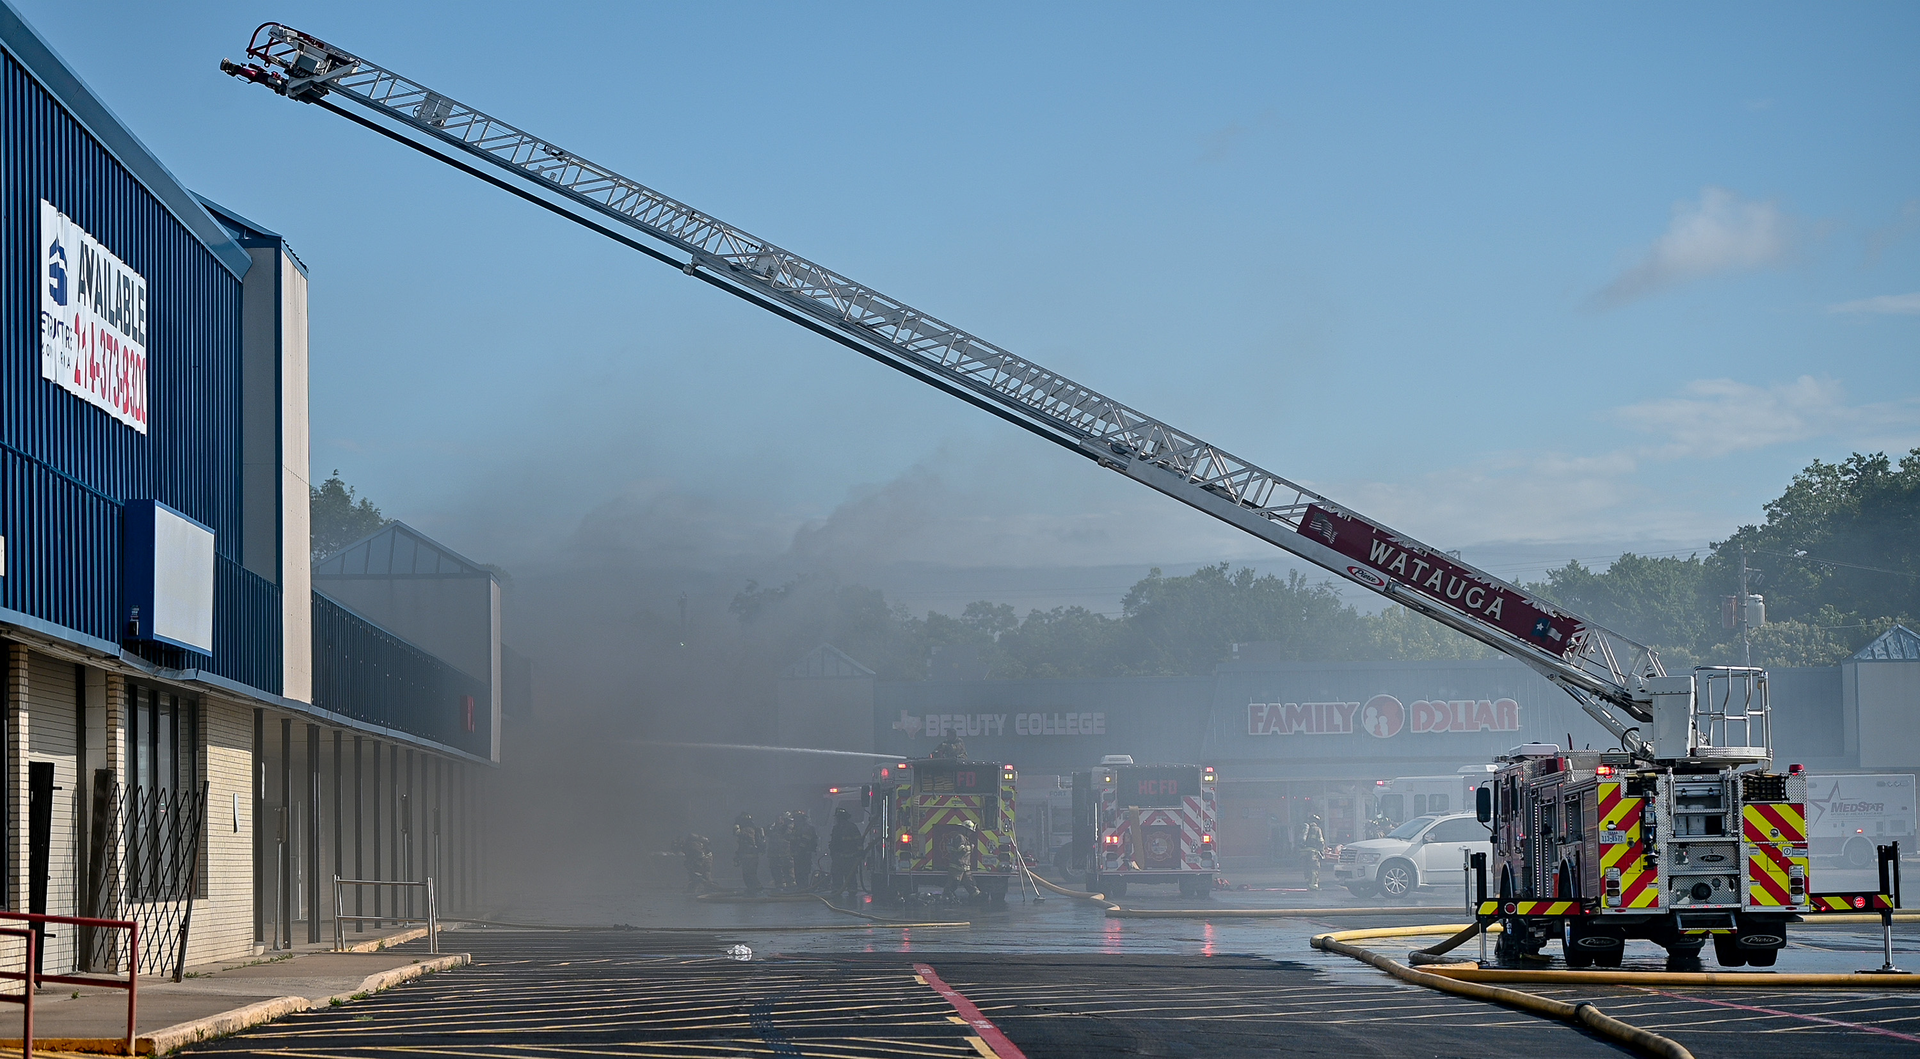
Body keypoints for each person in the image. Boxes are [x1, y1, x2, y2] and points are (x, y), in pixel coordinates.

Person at [827, 806, 862, 901]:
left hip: (847, 858)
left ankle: (845, 892)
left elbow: (858, 841)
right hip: (844, 858)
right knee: (842, 875)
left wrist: (859, 852)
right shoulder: (841, 827)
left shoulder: (846, 827)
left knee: (845, 875)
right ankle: (843, 892)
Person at [943, 820, 977, 901]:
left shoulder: (964, 837)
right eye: (970, 831)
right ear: (965, 830)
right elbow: (961, 849)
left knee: (971, 883)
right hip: (957, 866)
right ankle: (946, 897)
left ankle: (977, 896)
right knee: (954, 883)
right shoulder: (960, 837)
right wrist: (970, 847)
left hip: (964, 867)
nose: (971, 833)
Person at [733, 813, 765, 895]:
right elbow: (742, 844)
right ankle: (751, 889)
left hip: (751, 856)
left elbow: (747, 840)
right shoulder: (747, 829)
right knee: (746, 874)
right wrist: (738, 855)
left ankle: (758, 889)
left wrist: (737, 829)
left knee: (750, 874)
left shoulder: (749, 829)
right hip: (746, 856)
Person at [789, 810, 820, 890]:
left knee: (804, 871)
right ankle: (800, 887)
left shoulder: (807, 828)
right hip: (798, 854)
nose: (795, 821)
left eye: (796, 819)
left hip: (805, 854)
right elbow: (792, 840)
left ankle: (806, 887)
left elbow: (805, 841)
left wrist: (798, 850)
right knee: (798, 871)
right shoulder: (796, 828)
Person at [1299, 814, 1327, 891]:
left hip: (1303, 852)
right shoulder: (1317, 829)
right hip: (1312, 852)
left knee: (1307, 868)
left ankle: (1308, 882)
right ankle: (1313, 885)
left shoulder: (1305, 828)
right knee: (1314, 868)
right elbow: (1321, 842)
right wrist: (1322, 851)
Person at [766, 813, 794, 891]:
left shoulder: (788, 827)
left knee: (788, 870)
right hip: (774, 854)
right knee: (775, 870)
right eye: (777, 819)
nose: (779, 821)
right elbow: (767, 833)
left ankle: (791, 886)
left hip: (786, 853)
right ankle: (779, 886)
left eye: (780, 819)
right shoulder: (772, 828)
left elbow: (789, 835)